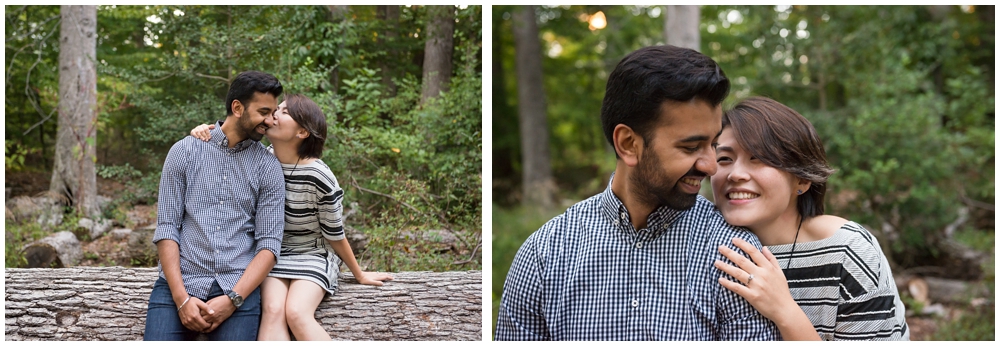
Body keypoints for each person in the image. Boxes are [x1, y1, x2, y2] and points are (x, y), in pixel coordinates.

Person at [494, 45, 780, 340]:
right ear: (628, 144)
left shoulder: (736, 255)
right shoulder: (544, 255)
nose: (710, 166)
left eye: (713, 144)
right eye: (691, 147)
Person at [190, 94, 393, 340]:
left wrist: (358, 273)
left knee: (296, 312)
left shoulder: (319, 176)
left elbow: (334, 233)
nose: (274, 114)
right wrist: (205, 131)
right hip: (273, 256)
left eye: (284, 112)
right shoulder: (263, 158)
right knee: (273, 310)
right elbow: (229, 143)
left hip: (313, 255)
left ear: (302, 132)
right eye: (277, 109)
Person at [710, 96, 910, 340]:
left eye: (758, 158)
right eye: (724, 159)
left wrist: (784, 310)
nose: (735, 174)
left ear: (802, 180)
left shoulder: (847, 252)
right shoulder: (702, 246)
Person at [144, 71, 286, 341]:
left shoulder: (268, 167)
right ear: (237, 107)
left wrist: (233, 299)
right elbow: (167, 229)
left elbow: (269, 245)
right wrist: (181, 299)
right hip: (180, 284)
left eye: (274, 112)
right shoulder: (184, 152)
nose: (270, 121)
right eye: (264, 112)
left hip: (237, 287)